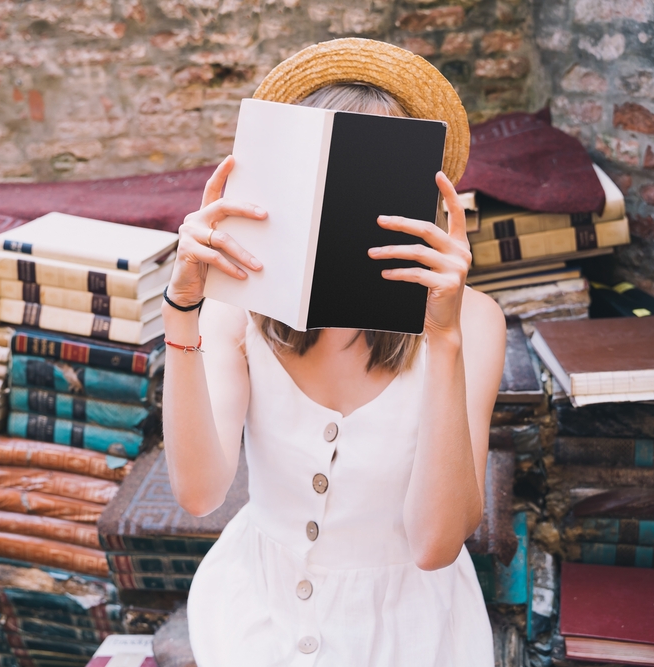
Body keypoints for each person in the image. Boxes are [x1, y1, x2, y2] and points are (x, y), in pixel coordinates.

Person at [161, 38, 506, 666]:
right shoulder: (240, 306)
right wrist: (183, 309)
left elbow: (435, 545)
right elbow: (199, 491)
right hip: (255, 616)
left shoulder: (475, 322)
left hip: (412, 633)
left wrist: (444, 338)